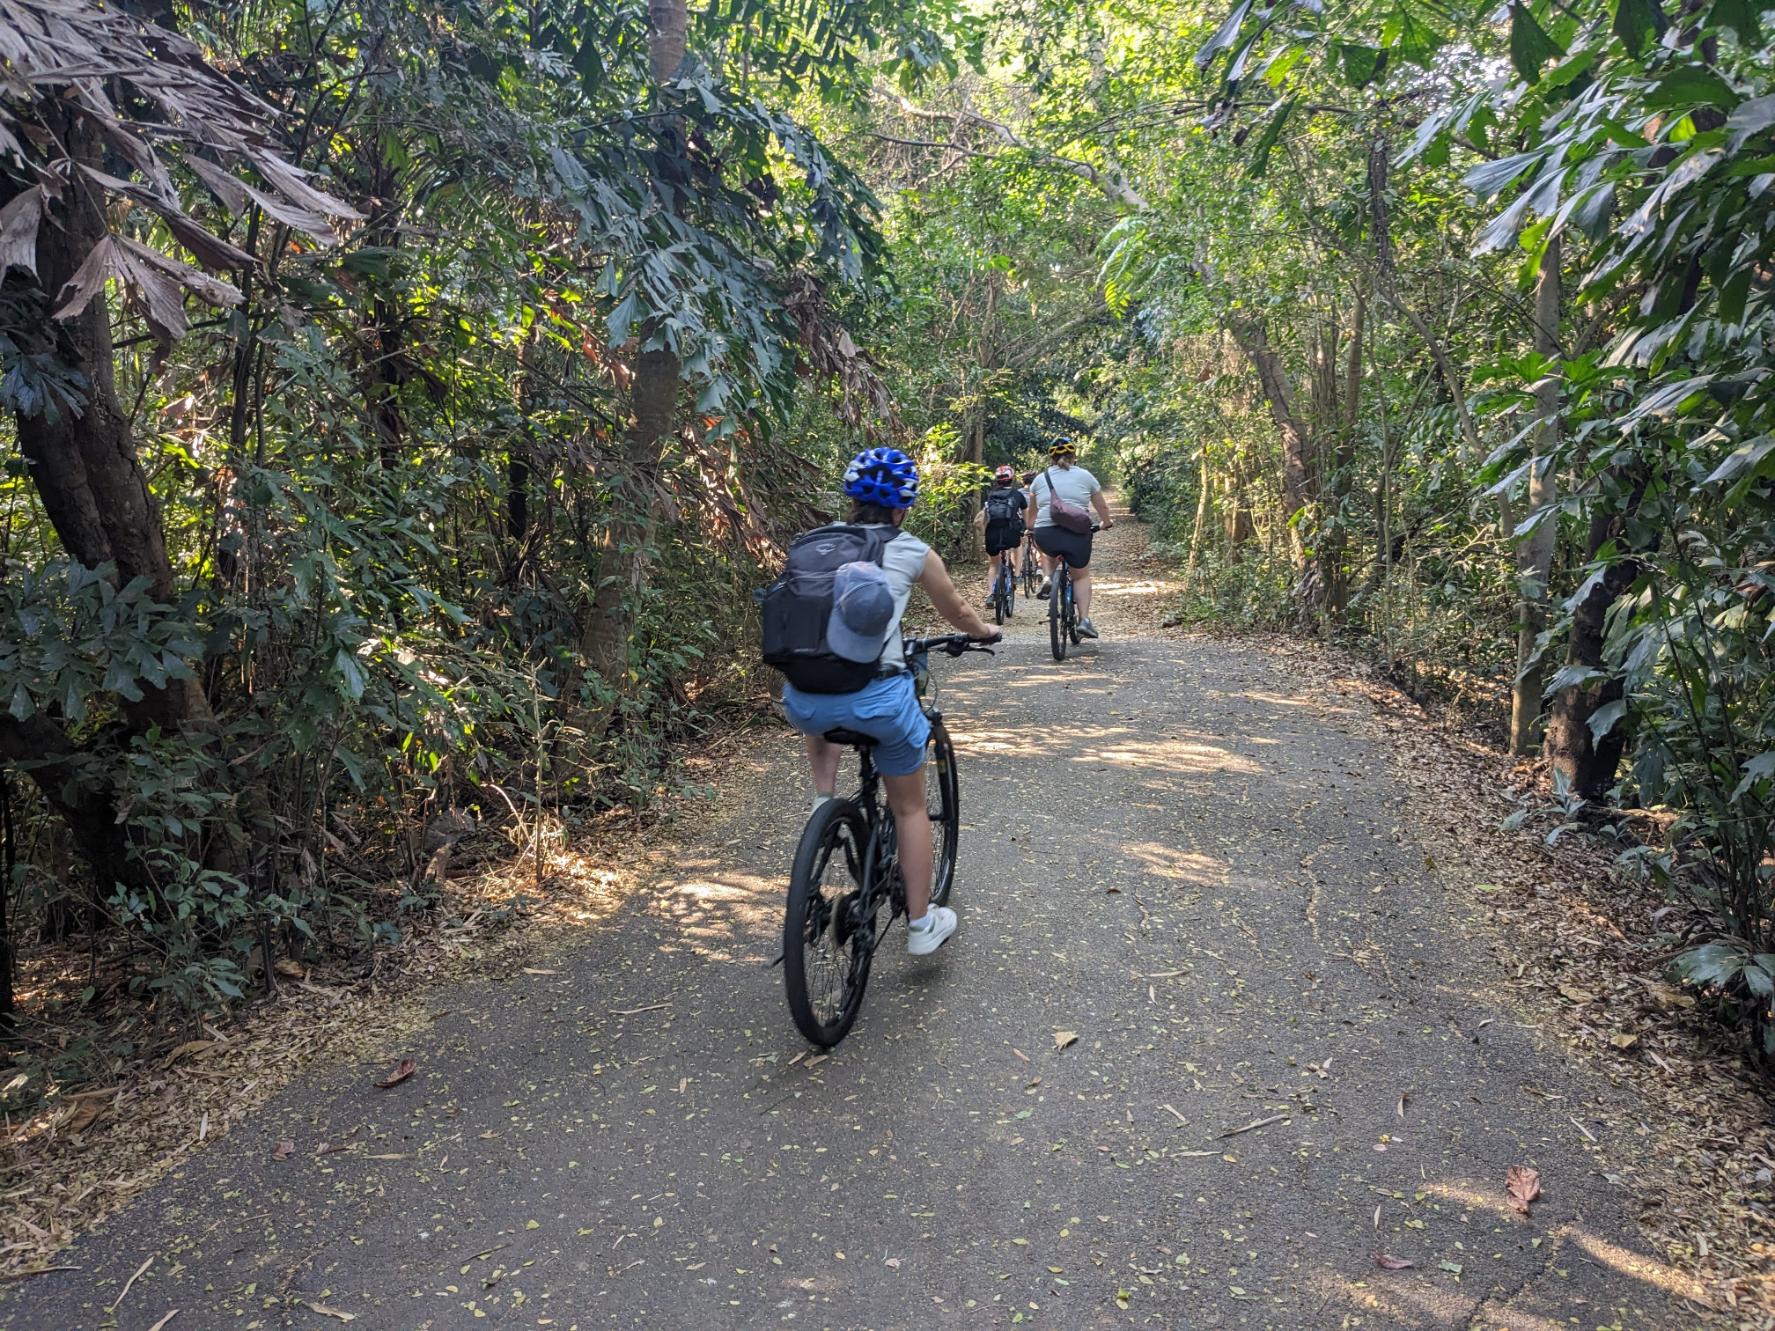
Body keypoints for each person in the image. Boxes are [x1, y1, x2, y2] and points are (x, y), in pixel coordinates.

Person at [778, 447, 999, 955]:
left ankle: (823, 801)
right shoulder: (913, 551)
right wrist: (985, 632)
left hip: (804, 703)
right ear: (903, 508)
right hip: (878, 703)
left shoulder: (810, 544)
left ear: (850, 499)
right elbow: (960, 611)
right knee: (909, 807)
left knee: (820, 672)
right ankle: (921, 927)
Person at [1028, 437, 1114, 639]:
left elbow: (1031, 515)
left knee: (1048, 552)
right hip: (1076, 534)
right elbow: (1101, 506)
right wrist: (1106, 522)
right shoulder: (1085, 476)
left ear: (1051, 458)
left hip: (1046, 534)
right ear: (1074, 456)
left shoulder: (1040, 479)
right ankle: (1084, 619)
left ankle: (1048, 577)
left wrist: (1031, 527)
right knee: (1081, 575)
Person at [977, 463, 1029, 603]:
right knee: (1018, 546)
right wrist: (1026, 528)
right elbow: (1026, 516)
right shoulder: (1017, 495)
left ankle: (990, 595)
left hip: (992, 533)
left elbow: (985, 516)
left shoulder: (990, 495)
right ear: (1012, 478)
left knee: (994, 565)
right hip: (1010, 532)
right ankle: (1017, 575)